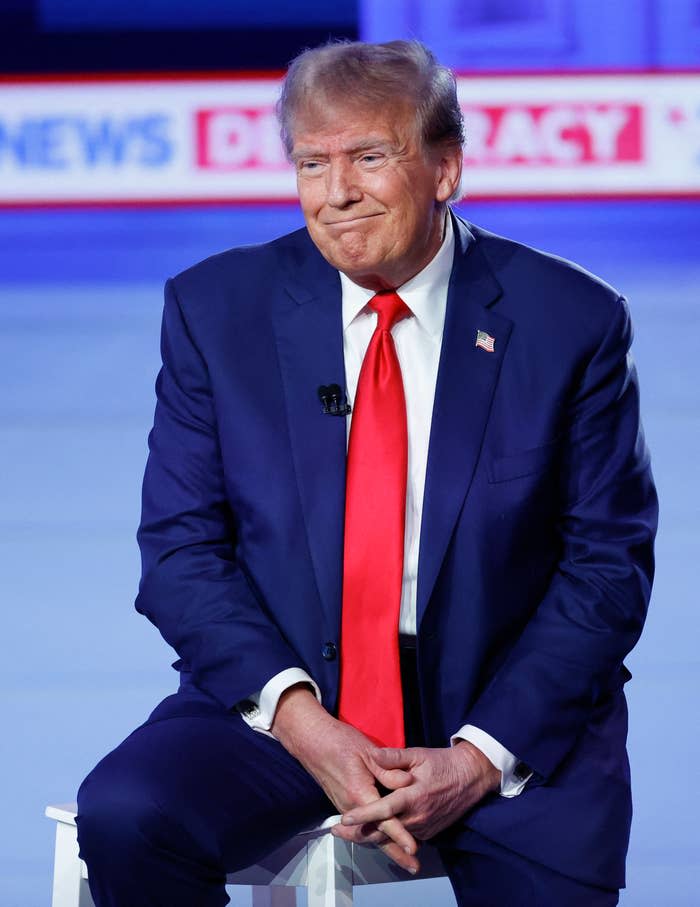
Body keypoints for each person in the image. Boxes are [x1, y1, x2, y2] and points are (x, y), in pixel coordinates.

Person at [75, 40, 657, 907]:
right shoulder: (215, 311)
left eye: (370, 157)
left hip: (506, 715)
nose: (336, 192)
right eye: (312, 162)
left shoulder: (571, 322)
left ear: (446, 168)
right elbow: (181, 552)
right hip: (289, 701)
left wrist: (477, 756)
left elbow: (607, 571)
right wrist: (305, 725)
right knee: (127, 813)